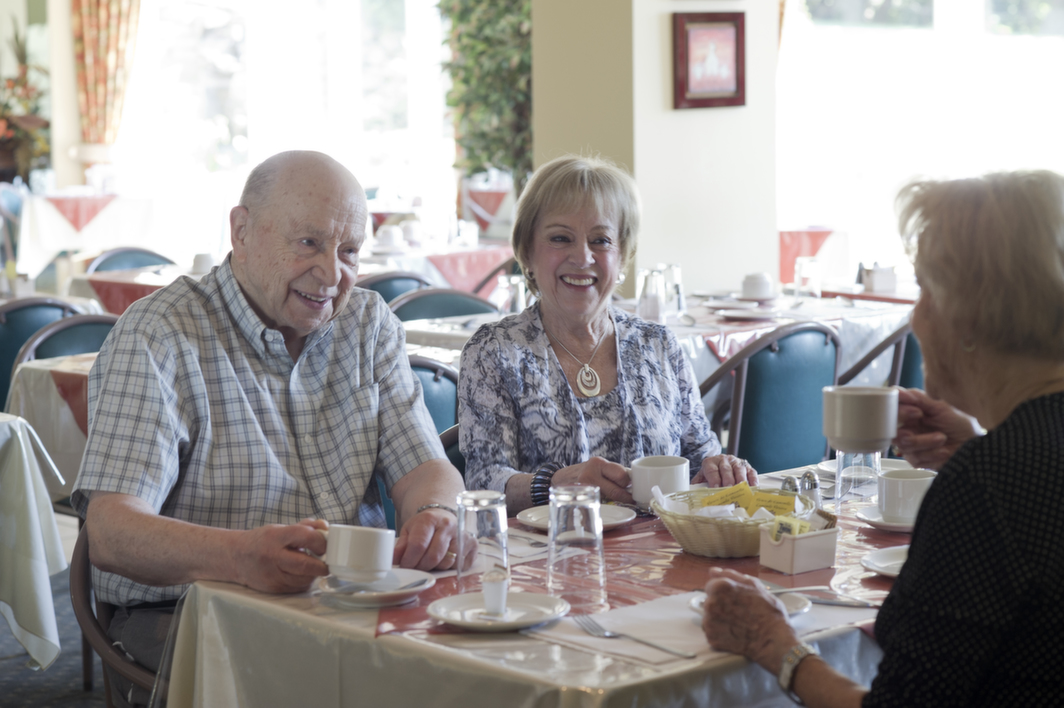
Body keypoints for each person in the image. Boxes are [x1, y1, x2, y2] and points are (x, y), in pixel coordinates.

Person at [72, 151, 466, 706]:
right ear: (241, 230)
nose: (332, 274)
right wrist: (238, 557)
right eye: (308, 243)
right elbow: (111, 533)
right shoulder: (160, 335)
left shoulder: (368, 323)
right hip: (193, 610)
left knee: (481, 663)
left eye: (349, 251)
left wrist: (436, 515)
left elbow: (425, 466)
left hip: (348, 606)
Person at [701, 170, 1064, 706]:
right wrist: (975, 445)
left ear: (968, 314)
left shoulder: (987, 485)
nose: (915, 317)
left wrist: (776, 646)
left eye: (923, 292)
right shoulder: (1005, 467)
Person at [458, 155, 756, 514]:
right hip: (551, 555)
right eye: (560, 238)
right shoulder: (494, 352)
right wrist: (556, 485)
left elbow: (699, 457)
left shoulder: (658, 345)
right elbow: (484, 481)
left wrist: (719, 468)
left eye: (600, 240)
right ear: (527, 252)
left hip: (661, 556)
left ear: (623, 257)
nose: (582, 257)